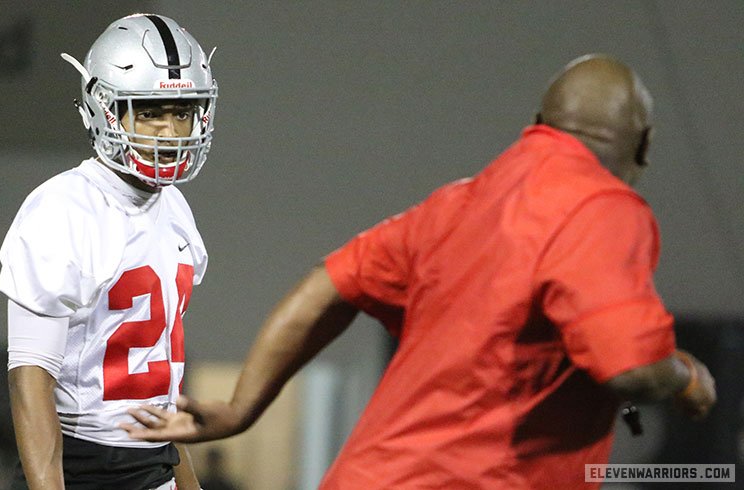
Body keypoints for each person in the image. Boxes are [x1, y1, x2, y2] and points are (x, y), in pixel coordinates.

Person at [120, 55, 717, 489]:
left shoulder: (456, 204)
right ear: (643, 146)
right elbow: (632, 365)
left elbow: (325, 286)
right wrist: (686, 376)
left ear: (538, 121)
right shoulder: (604, 207)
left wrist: (241, 408)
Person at [0, 13, 217, 490]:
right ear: (106, 111)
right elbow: (29, 381)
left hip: (153, 464)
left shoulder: (175, 208)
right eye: (150, 111)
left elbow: (161, 388)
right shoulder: (63, 208)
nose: (169, 132)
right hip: (80, 468)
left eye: (181, 112)